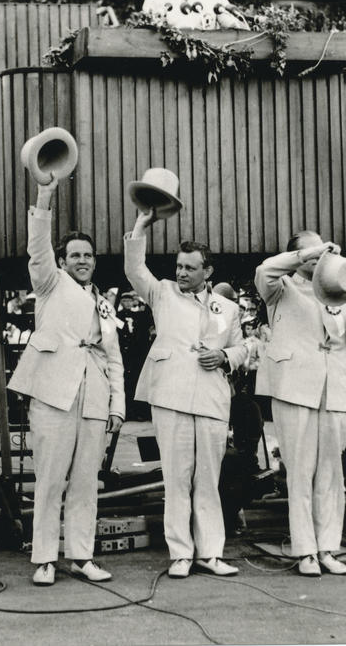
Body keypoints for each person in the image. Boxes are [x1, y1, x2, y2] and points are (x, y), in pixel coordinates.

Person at [7, 182, 125, 587]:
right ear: (61, 260)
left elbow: (114, 358)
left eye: (88, 255)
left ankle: (81, 556)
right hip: (53, 393)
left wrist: (117, 406)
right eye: (75, 255)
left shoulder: (104, 302)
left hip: (93, 397)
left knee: (85, 482)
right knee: (51, 478)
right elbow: (37, 247)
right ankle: (43, 558)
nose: (83, 261)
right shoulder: (50, 282)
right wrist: (44, 198)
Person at [124, 210, 247, 578]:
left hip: (211, 399)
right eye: (179, 266)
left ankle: (210, 553)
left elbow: (244, 349)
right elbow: (134, 269)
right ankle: (180, 553)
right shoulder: (162, 293)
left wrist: (224, 355)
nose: (181, 273)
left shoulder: (228, 308)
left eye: (190, 268)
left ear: (207, 272)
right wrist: (141, 227)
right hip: (171, 395)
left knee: (208, 478)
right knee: (177, 477)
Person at [254, 232, 346, 576]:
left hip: (332, 388)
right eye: (309, 252)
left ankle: (328, 548)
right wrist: (313, 252)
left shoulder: (336, 291)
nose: (318, 258)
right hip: (294, 387)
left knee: (332, 474)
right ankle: (305, 550)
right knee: (301, 472)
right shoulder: (280, 288)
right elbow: (266, 270)